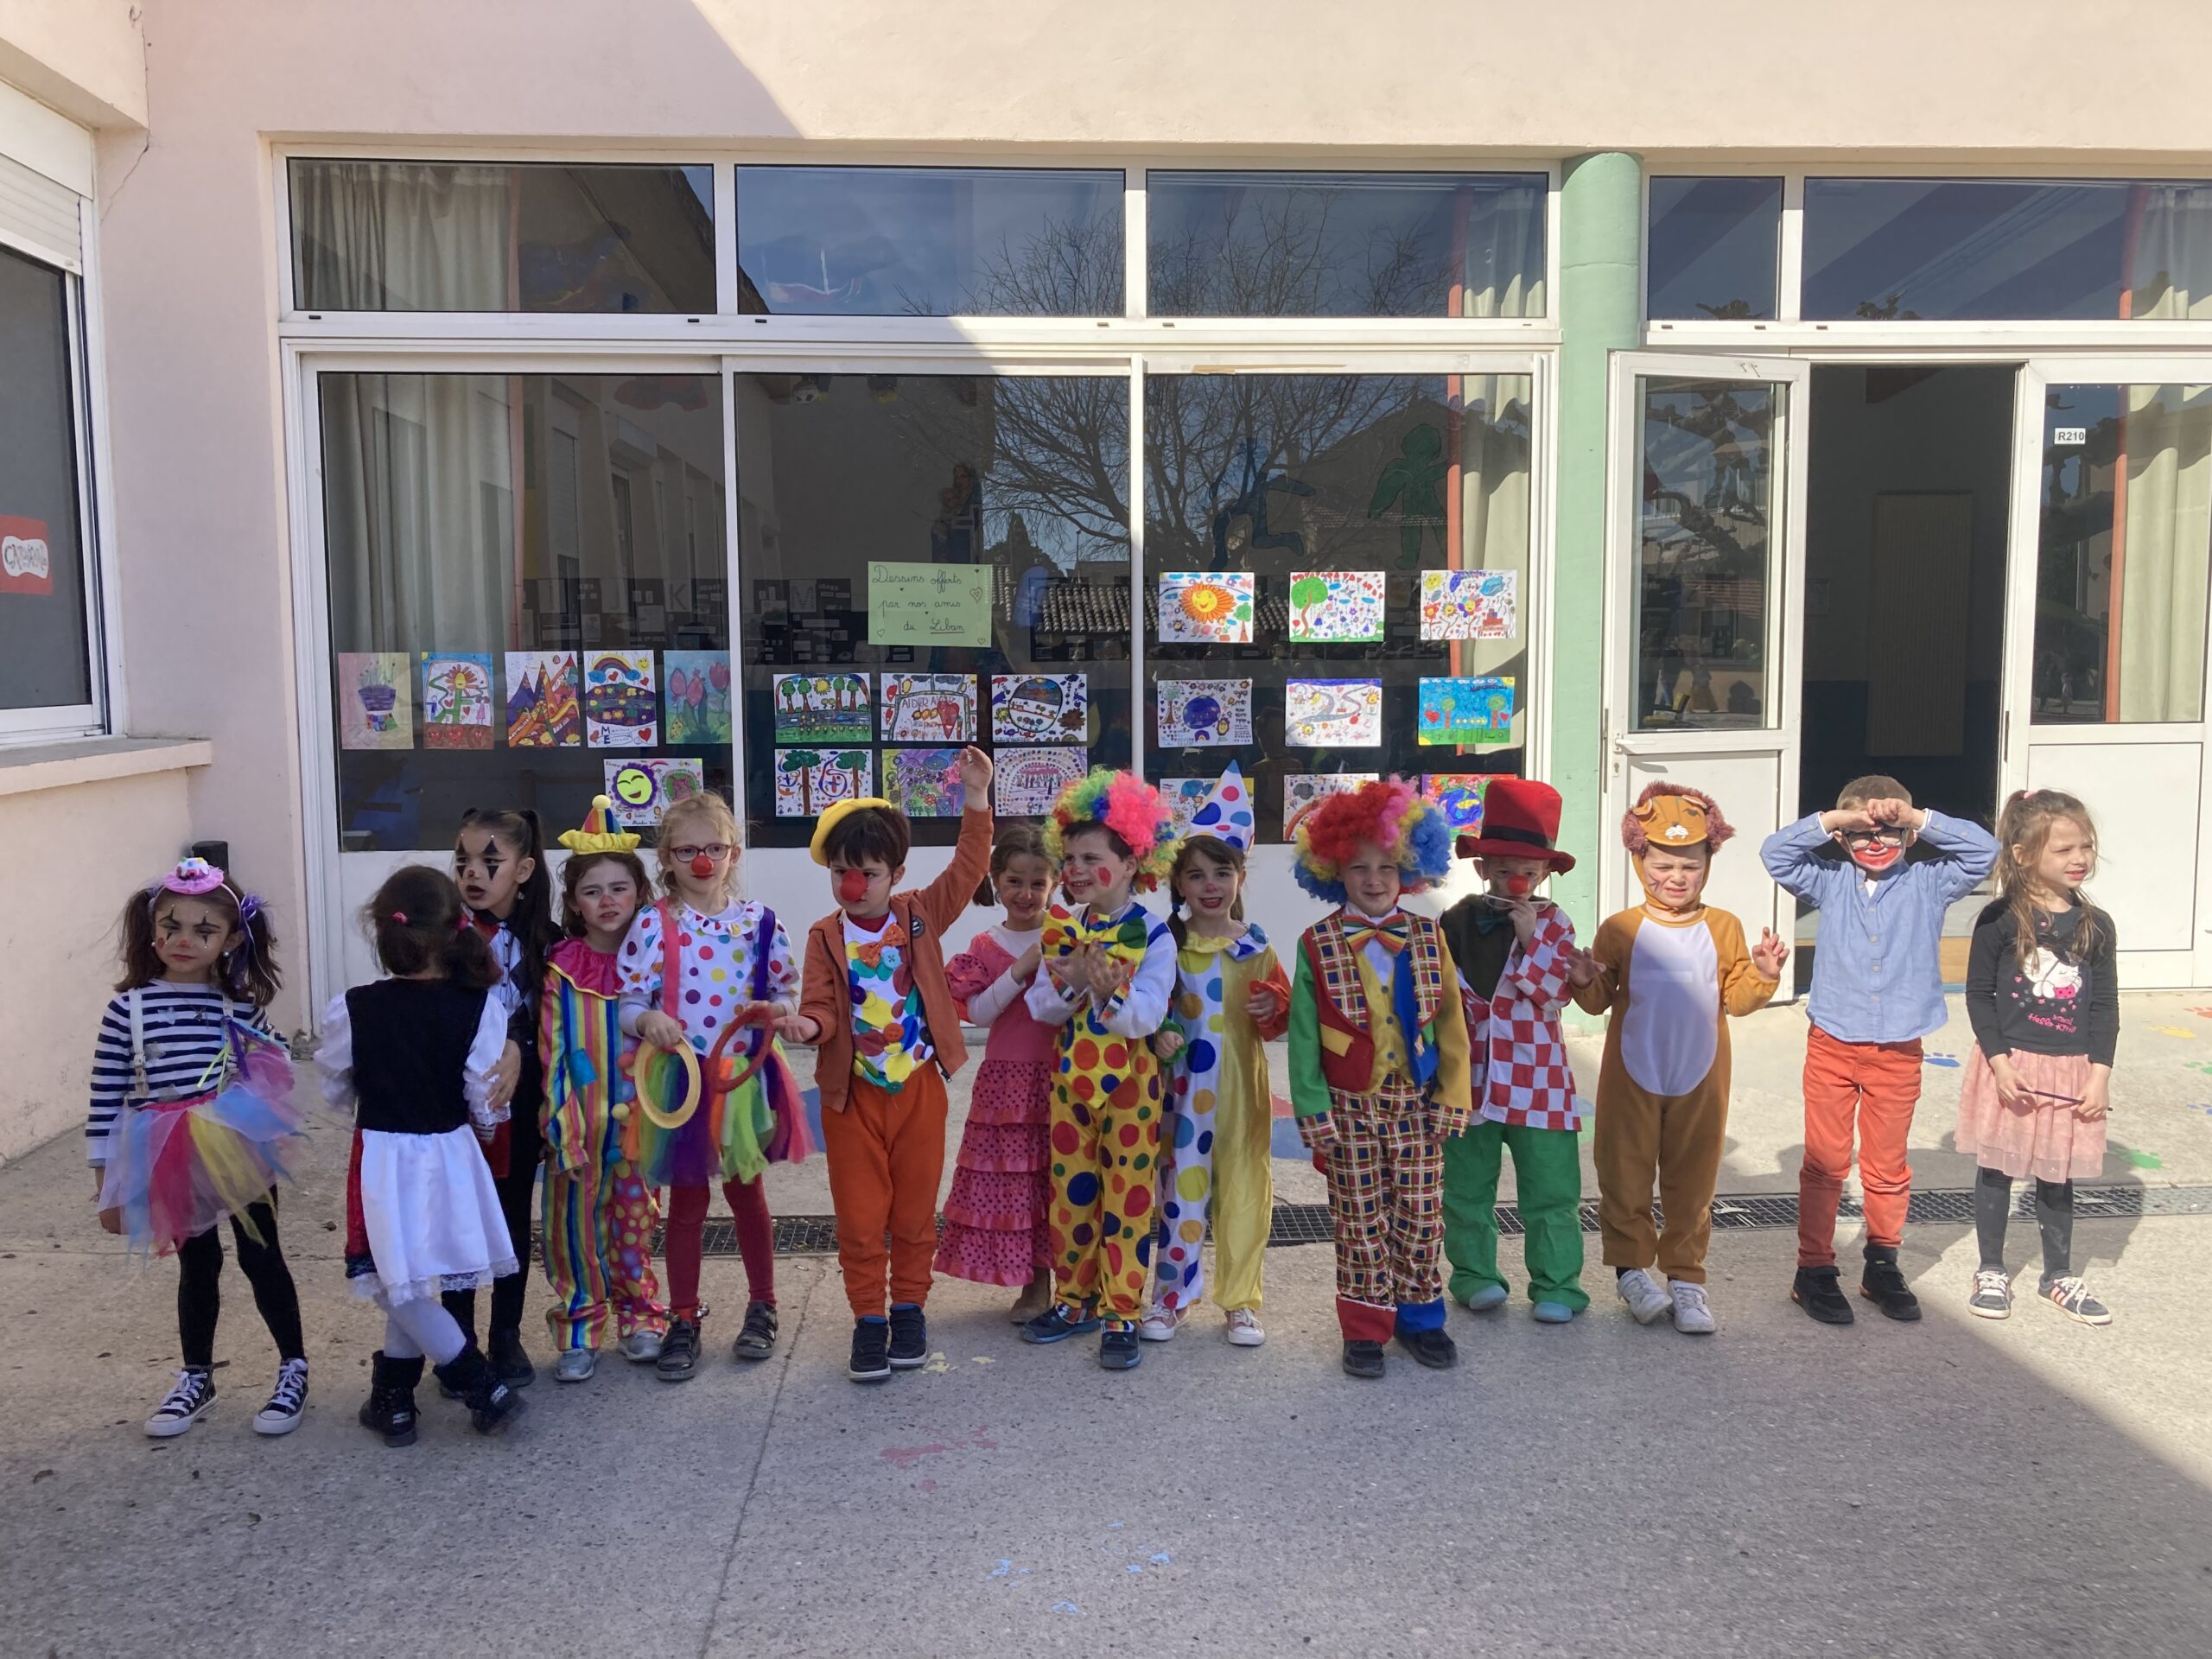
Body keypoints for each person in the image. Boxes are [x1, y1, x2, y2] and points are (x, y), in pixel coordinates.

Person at [782, 747, 993, 1383]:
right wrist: (807, 1026)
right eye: (841, 872)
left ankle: (909, 1310)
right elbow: (820, 1004)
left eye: (868, 873)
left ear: (896, 873)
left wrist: (976, 798)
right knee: (860, 1217)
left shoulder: (919, 914)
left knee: (913, 1213)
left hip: (918, 1088)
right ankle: (869, 1319)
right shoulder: (824, 935)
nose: (854, 885)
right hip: (852, 1099)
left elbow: (968, 868)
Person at [1762, 776, 1999, 1326]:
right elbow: (1775, 853)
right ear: (1843, 839)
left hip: (1898, 1048)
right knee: (1825, 1163)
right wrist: (1837, 819)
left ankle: (1882, 1263)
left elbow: (1984, 852)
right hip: (1832, 1043)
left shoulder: (1930, 882)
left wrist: (1916, 817)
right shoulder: (1829, 881)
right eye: (1862, 833)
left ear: (1909, 836)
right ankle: (1814, 1269)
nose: (1875, 842)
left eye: (1888, 832)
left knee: (1887, 1165)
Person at [88, 857, 309, 1439]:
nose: (184, 940)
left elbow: (275, 1058)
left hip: (236, 1143)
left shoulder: (236, 1005)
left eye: (204, 931)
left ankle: (293, 1367)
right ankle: (196, 1376)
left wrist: (265, 1055)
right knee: (198, 1262)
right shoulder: (127, 1010)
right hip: (169, 1153)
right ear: (152, 929)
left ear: (231, 940)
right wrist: (105, 1179)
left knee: (262, 1255)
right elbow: (105, 1095)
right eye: (171, 926)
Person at [321, 866, 526, 1443]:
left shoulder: (354, 1007)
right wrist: (484, 1132)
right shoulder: (480, 1007)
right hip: (451, 1156)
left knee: (394, 1280)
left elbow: (334, 1085)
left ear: (381, 931)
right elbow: (484, 1097)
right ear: (456, 929)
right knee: (408, 1279)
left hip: (385, 1158)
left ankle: (478, 1382)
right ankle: (393, 1398)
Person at [1573, 784, 1786, 1335]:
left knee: (1693, 1182)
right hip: (1632, 1075)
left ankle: (1687, 1279)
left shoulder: (1724, 927)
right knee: (1624, 1175)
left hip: (1700, 1077)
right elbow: (1597, 1001)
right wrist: (1581, 979)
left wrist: (1763, 975)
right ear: (1638, 861)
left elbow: (1736, 1000)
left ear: (1708, 864)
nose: (1676, 877)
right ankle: (1631, 1274)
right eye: (1662, 865)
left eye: (1690, 866)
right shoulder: (1620, 928)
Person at [1287, 778, 1473, 1378]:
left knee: (1421, 1216)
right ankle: (1365, 1327)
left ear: (1410, 871)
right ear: (1332, 870)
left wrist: (1453, 1094)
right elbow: (1305, 1034)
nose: (1373, 879)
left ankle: (1420, 1318)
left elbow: (1451, 1021)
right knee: (1358, 1220)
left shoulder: (1428, 934)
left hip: (1416, 1102)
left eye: (1387, 867)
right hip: (1348, 1106)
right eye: (1358, 867)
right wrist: (1312, 1110)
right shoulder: (1315, 943)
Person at [620, 790, 802, 1380]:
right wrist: (647, 1020)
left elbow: (787, 993)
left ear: (734, 853)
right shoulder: (654, 924)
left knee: (748, 1194)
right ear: (666, 858)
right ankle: (683, 1315)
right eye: (687, 851)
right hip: (683, 1082)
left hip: (742, 1080)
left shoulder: (760, 923)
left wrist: (776, 1011)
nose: (703, 861)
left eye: (715, 849)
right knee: (688, 1203)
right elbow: (629, 1002)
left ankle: (763, 1305)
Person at [1018, 769, 1179, 1371]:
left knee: (1128, 1200)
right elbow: (1041, 1007)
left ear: (1132, 863)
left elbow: (1146, 1016)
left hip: (1132, 1086)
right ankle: (1074, 1300)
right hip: (1070, 1083)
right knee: (1071, 1195)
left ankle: (1121, 1312)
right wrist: (1073, 985)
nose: (1077, 870)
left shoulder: (1154, 934)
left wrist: (1106, 992)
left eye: (1092, 858)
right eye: (1071, 859)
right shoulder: (1064, 928)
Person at [1142, 765, 1288, 1347]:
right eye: (1196, 874)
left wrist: (1274, 1007)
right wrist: (1160, 1034)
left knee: (1245, 1192)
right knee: (1180, 1195)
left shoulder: (1256, 946)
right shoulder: (1166, 944)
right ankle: (1172, 1297)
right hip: (1182, 1094)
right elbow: (1149, 1007)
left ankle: (1241, 1301)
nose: (1210, 885)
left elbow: (1281, 1016)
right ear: (1177, 883)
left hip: (1241, 1094)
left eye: (1221, 873)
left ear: (1240, 877)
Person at [1959, 789, 2116, 1325]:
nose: (2080, 858)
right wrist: (2000, 1062)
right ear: (2023, 855)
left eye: (2086, 846)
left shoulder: (2096, 924)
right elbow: (1979, 995)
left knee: (2057, 1174)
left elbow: (2105, 1005)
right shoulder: (1999, 919)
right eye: (2064, 849)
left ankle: (2058, 1275)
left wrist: (2099, 1075)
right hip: (2010, 1066)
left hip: (2072, 1070)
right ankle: (1991, 1269)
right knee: (1997, 1170)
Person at [1437, 779, 1592, 1325]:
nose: (1516, 880)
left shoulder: (1555, 923)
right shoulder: (1455, 919)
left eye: (1527, 870)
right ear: (1483, 869)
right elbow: (1437, 990)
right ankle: (1474, 1276)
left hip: (1538, 1082)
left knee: (1552, 1189)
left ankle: (1558, 1285)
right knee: (1465, 1189)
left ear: (1545, 873)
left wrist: (1530, 940)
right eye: (1503, 869)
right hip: (1471, 1080)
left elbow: (1554, 994)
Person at [537, 797, 667, 1383]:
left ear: (640, 894)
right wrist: (560, 1123)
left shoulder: (655, 966)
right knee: (574, 1230)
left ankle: (641, 1316)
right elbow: (553, 1051)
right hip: (579, 1126)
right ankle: (580, 1325)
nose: (608, 900)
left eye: (619, 888)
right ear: (573, 903)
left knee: (636, 1222)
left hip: (641, 1123)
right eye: (592, 891)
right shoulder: (561, 968)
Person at [447, 807, 557, 1387]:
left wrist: (522, 1046)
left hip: (521, 1098)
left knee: (512, 1214)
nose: (473, 872)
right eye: (463, 860)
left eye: (490, 861)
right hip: (457, 1102)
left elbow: (555, 1021)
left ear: (524, 870)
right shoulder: (446, 938)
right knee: (460, 1220)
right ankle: (457, 1340)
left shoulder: (547, 942)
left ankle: (506, 1333)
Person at [935, 822, 1060, 1323]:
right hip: (1009, 1085)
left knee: (1061, 1180)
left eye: (1037, 882)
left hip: (1066, 1076)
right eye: (1014, 881)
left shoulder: (1070, 931)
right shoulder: (986, 944)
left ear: (1055, 883)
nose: (1025, 893)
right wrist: (1022, 967)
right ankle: (1033, 1283)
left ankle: (1075, 1281)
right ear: (995, 881)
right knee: (1019, 1187)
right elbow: (980, 1013)